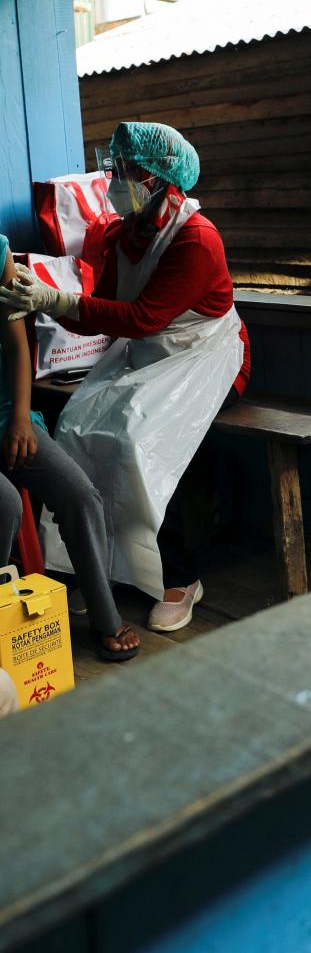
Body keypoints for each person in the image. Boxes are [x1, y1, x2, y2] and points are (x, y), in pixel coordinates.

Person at [0, 123, 250, 634]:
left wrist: (53, 300)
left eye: (127, 169)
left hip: (203, 357)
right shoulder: (123, 233)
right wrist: (41, 293)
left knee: (144, 440)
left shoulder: (197, 240)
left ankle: (180, 578)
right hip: (146, 352)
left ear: (158, 177)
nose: (115, 177)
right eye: (115, 166)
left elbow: (140, 318)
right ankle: (104, 569)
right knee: (76, 426)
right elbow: (102, 312)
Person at [0, 235, 139, 661]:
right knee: (5, 505)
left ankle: (104, 617)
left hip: (6, 414)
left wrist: (22, 418)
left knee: (79, 495)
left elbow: (16, 344)